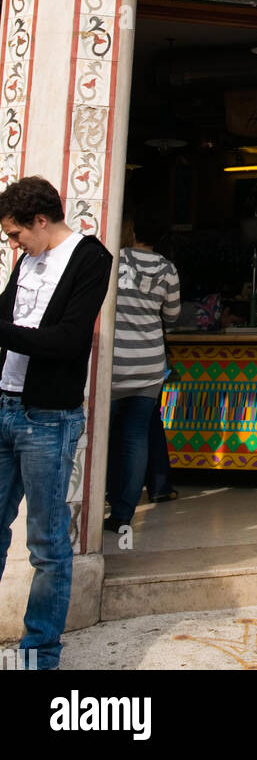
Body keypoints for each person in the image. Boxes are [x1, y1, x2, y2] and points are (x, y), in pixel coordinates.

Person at [0, 176, 112, 670]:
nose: (12, 245)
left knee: (46, 544)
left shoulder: (91, 259)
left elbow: (69, 342)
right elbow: (9, 315)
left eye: (15, 235)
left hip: (46, 418)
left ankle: (39, 655)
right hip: (2, 405)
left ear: (40, 221)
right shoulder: (29, 257)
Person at [105, 211, 180, 531]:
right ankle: (123, 515)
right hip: (149, 365)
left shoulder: (114, 261)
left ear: (132, 229)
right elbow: (173, 315)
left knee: (104, 436)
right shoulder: (167, 269)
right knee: (136, 437)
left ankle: (100, 500)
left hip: (113, 363)